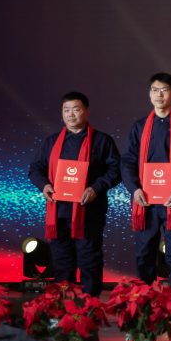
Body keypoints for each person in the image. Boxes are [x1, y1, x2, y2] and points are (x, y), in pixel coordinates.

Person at [28, 91, 121, 296]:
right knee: (62, 262)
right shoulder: (51, 142)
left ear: (87, 111)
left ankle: (90, 306)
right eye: (66, 110)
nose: (71, 114)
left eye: (76, 109)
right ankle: (64, 306)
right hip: (59, 213)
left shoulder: (102, 141)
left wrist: (95, 188)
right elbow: (35, 169)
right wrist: (44, 186)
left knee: (89, 260)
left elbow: (116, 171)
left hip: (89, 212)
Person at [121, 72, 171, 299]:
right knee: (144, 255)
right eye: (155, 90)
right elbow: (127, 161)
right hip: (145, 203)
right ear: (149, 94)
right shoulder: (139, 127)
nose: (159, 95)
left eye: (164, 90)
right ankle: (144, 306)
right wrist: (135, 189)